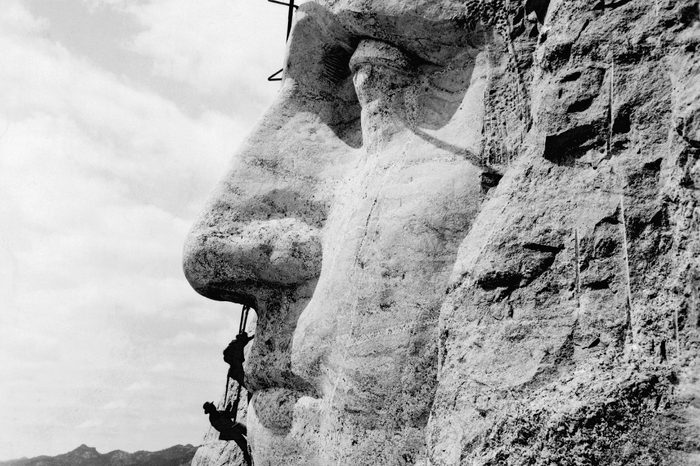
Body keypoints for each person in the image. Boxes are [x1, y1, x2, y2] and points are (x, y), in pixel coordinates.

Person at [203, 401, 252, 465]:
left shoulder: (216, 413)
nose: (214, 406)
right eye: (212, 406)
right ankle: (248, 461)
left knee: (248, 436)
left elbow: (228, 414)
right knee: (244, 446)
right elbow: (228, 417)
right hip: (231, 431)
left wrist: (229, 408)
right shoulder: (214, 417)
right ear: (210, 409)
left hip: (233, 428)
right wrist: (232, 406)